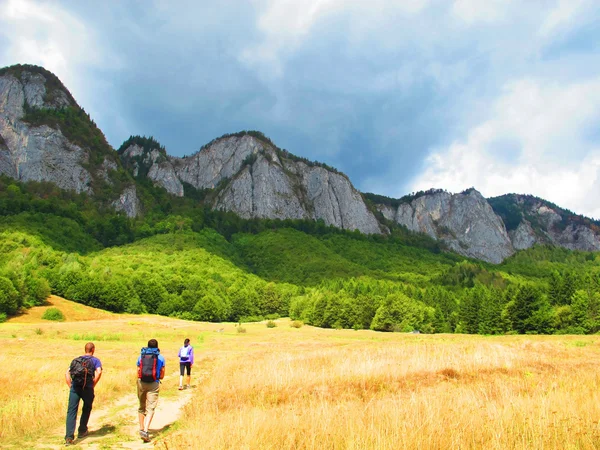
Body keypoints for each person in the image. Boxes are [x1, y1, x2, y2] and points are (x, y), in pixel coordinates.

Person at [64, 342, 102, 446]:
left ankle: (69, 437)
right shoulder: (95, 360)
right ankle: (82, 430)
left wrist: (70, 385)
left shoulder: (76, 360)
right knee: (87, 408)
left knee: (71, 411)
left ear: (85, 349)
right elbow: (99, 372)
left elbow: (67, 373)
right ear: (93, 349)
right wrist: (93, 384)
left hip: (75, 388)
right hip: (87, 388)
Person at [136, 338, 165, 442]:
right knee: (150, 408)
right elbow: (162, 374)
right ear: (157, 347)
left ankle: (141, 428)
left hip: (141, 382)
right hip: (154, 383)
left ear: (147, 346)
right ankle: (146, 430)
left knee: (141, 406)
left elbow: (138, 370)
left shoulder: (141, 356)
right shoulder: (161, 358)